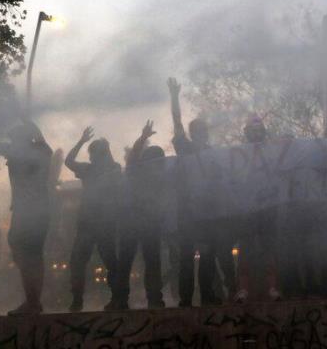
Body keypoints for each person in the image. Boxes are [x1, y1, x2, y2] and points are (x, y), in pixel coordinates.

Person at [0, 104, 53, 315]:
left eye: (14, 138)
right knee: (27, 251)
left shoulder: (24, 152)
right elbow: (37, 137)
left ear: (21, 140)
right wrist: (26, 120)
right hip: (36, 209)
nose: (11, 141)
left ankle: (32, 302)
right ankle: (33, 301)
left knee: (27, 253)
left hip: (30, 210)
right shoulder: (41, 151)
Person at [167, 77, 235, 306]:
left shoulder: (212, 154)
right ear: (192, 133)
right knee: (187, 257)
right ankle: (186, 299)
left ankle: (207, 295)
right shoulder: (184, 148)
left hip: (207, 213)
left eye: (203, 130)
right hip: (187, 212)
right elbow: (176, 122)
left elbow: (221, 181)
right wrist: (174, 97)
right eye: (197, 130)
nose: (201, 133)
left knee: (207, 256)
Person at [64, 126, 121, 311]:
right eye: (92, 154)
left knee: (110, 261)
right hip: (88, 223)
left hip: (103, 223)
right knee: (78, 262)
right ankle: (77, 300)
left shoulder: (113, 170)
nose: (92, 157)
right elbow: (68, 161)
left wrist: (97, 147)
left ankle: (116, 298)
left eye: (95, 153)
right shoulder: (89, 170)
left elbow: (70, 161)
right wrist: (81, 141)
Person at [115, 121, 166, 309]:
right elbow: (134, 156)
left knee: (150, 261)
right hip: (132, 222)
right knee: (128, 261)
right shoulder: (136, 171)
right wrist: (143, 137)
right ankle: (121, 299)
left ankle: (153, 298)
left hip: (149, 223)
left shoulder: (160, 177)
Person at [234, 115, 281, 302]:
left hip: (268, 208)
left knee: (268, 248)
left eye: (260, 130)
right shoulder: (237, 154)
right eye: (253, 131)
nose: (257, 134)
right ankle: (243, 289)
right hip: (247, 209)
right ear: (246, 133)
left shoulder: (274, 151)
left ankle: (272, 287)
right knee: (245, 249)